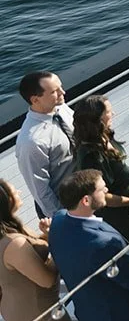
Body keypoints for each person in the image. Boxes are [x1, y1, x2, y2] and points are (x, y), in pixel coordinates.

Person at [49, 170, 129, 321]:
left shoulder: (59, 220)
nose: (106, 189)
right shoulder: (102, 244)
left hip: (92, 314)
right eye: (101, 188)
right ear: (86, 201)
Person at [0, 178, 87, 321]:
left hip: (21, 305)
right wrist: (56, 242)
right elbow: (46, 279)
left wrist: (46, 235)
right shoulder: (13, 244)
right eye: (15, 191)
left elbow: (32, 252)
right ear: (5, 201)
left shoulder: (9, 230)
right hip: (35, 309)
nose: (20, 192)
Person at [68, 96, 129, 251]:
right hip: (121, 217)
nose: (114, 114)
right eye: (109, 112)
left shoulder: (104, 138)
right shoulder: (91, 155)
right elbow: (102, 195)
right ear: (97, 118)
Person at [16, 71, 75, 219]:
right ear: (35, 100)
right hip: (66, 204)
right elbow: (40, 189)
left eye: (60, 87)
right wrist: (62, 219)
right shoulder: (31, 141)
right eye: (54, 91)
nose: (63, 92)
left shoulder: (62, 109)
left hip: (86, 191)